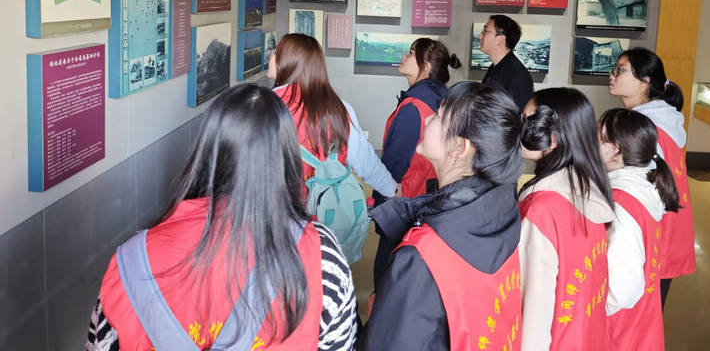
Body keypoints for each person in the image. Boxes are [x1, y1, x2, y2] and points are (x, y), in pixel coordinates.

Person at [86, 84, 358, 351]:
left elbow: (100, 344)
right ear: (286, 156)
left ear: (206, 151)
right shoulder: (320, 255)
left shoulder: (134, 258)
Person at [361, 81, 524, 350]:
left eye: (438, 116)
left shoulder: (421, 254)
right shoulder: (502, 214)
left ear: (460, 147)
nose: (427, 119)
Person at [518, 87, 616, 351]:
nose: (519, 128)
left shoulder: (542, 209)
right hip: (585, 338)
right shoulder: (589, 189)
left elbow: (534, 311)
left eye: (528, 121)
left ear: (553, 138)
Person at [607, 47, 694, 307]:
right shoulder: (661, 118)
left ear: (645, 81)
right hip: (664, 228)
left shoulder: (643, 126)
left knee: (639, 310)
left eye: (621, 70)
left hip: (649, 231)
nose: (612, 75)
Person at [372, 38, 461, 286]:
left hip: (404, 202)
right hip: (433, 199)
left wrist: (380, 205)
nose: (404, 57)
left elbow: (395, 163)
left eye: (411, 53)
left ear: (426, 66)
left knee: (387, 273)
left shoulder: (414, 107)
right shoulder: (445, 100)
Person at [267, 33, 399, 201]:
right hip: (324, 207)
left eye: (275, 52)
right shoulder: (338, 108)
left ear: (289, 61)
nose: (270, 56)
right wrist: (392, 190)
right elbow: (365, 162)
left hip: (277, 207)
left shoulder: (265, 106)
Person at [598, 108, 680, 351]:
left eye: (596, 136)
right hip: (639, 325)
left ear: (613, 149)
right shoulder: (644, 186)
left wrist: (587, 309)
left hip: (618, 331)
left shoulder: (621, 204)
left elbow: (621, 291)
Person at [479, 14, 533, 112]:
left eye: (485, 31)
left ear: (501, 39)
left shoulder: (517, 75)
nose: (480, 36)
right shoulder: (496, 67)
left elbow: (515, 116)